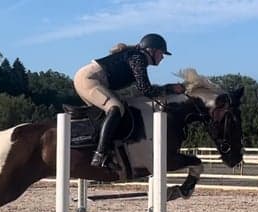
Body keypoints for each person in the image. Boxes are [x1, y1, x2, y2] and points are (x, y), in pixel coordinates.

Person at [73, 33, 185, 167]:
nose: (162, 57)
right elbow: (146, 90)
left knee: (119, 108)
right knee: (116, 108)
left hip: (95, 81)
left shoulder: (137, 57)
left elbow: (139, 91)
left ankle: (102, 148)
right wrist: (169, 88)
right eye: (161, 53)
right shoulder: (138, 58)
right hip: (90, 79)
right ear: (151, 50)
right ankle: (100, 153)